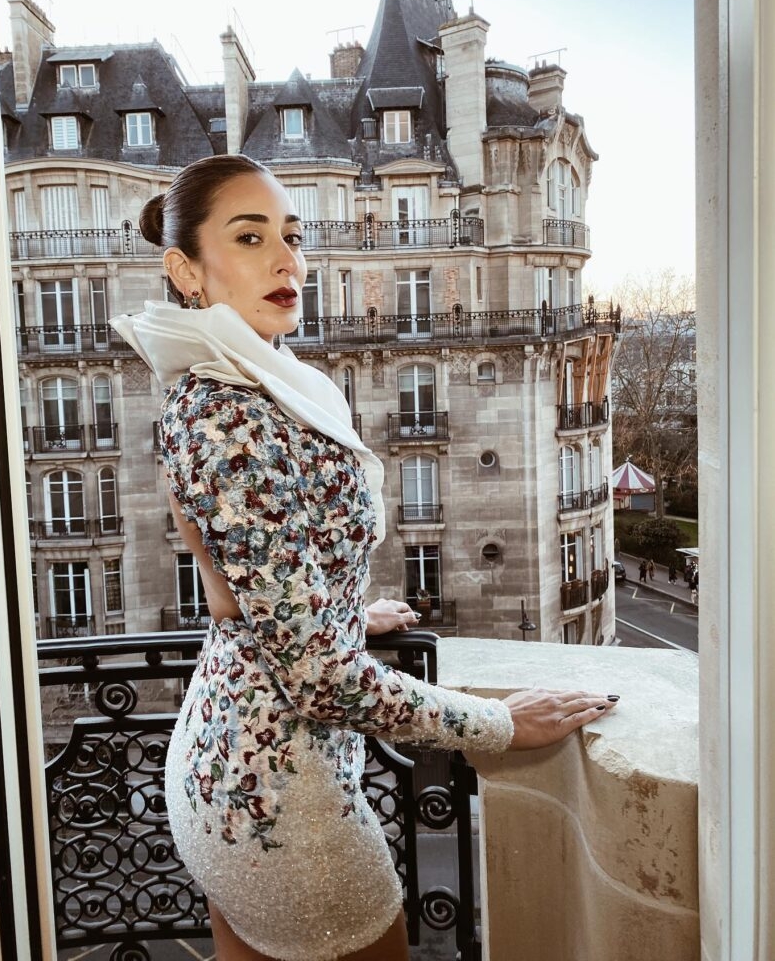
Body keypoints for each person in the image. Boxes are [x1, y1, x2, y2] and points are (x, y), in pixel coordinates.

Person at [110, 154, 619, 961]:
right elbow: (317, 678)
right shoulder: (227, 415)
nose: (288, 259)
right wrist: (496, 724)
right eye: (249, 238)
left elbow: (236, 595)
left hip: (226, 766)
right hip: (285, 805)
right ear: (185, 269)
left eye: (291, 235)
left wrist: (338, 612)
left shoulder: (214, 389)